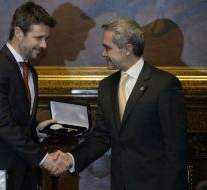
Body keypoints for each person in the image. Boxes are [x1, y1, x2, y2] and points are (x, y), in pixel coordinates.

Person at [53, 17, 188, 190]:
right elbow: (102, 137)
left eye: (107, 48)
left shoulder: (164, 85)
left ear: (127, 49)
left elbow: (176, 149)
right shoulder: (106, 86)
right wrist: (70, 159)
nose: (103, 53)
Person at [0, 2, 65, 190]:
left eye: (46, 38)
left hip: (20, 169)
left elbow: (17, 117)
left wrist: (36, 128)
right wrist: (43, 158)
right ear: (18, 32)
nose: (44, 45)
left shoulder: (30, 70)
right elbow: (2, 124)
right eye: (39, 38)